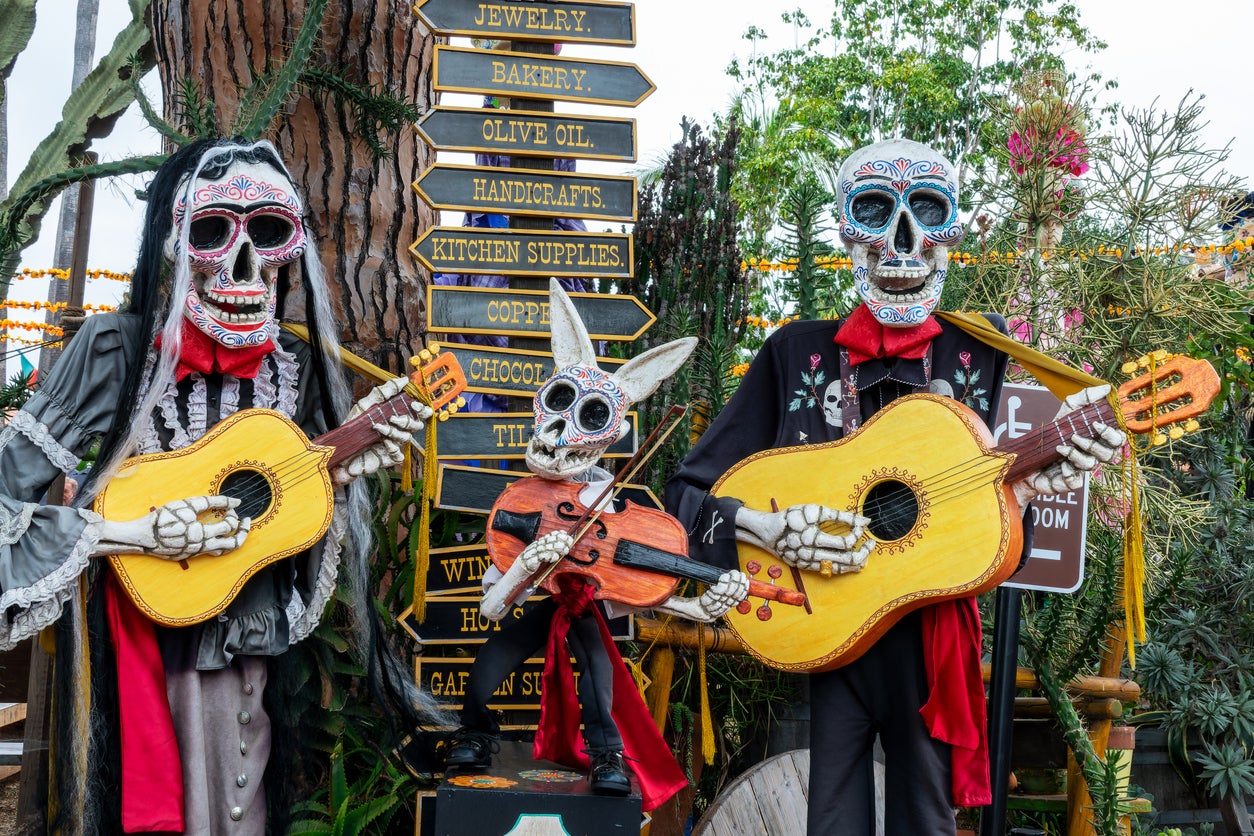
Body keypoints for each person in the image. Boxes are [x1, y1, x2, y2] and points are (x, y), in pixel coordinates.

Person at [665, 138, 1126, 834]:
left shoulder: (983, 354)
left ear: (952, 233)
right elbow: (684, 498)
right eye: (876, 210)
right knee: (833, 820)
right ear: (847, 230)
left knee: (926, 819)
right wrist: (766, 529)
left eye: (927, 211)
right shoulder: (797, 353)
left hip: (934, 633)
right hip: (829, 621)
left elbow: (997, 522)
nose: (902, 238)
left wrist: (1032, 490)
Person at [0, 138, 429, 833]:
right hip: (137, 630)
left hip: (241, 632)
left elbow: (298, 497)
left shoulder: (295, 363)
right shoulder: (116, 351)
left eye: (268, 232)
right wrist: (127, 532)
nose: (243, 261)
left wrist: (340, 474)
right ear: (175, 240)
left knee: (237, 799)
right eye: (212, 231)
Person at [441, 280, 749, 812]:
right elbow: (492, 609)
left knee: (600, 680)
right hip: (542, 599)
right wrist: (524, 572)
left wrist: (699, 604)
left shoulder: (607, 503)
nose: (560, 429)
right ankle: (476, 731)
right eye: (559, 403)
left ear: (607, 437)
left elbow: (629, 580)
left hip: (584, 603)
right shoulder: (525, 499)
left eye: (587, 418)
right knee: (489, 662)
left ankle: (607, 756)